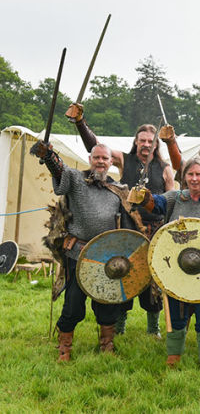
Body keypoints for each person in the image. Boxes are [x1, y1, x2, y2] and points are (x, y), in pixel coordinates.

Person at [65, 104, 173, 338]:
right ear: (136, 142)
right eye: (142, 140)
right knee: (121, 274)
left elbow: (170, 202)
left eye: (150, 141)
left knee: (152, 283)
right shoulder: (125, 160)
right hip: (126, 231)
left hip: (154, 231)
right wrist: (81, 124)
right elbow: (96, 148)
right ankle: (120, 323)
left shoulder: (165, 170)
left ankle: (153, 327)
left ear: (156, 144)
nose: (146, 144)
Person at [30, 141, 142, 361]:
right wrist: (50, 157)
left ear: (111, 162)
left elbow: (127, 223)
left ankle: (106, 344)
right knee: (73, 301)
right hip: (78, 252)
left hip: (107, 256)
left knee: (106, 301)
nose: (100, 162)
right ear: (90, 159)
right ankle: (65, 347)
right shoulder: (76, 180)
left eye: (105, 158)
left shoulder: (117, 190)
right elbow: (60, 172)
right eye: (96, 158)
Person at [131, 156, 200, 371]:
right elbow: (156, 204)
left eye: (198, 174)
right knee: (176, 311)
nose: (194, 178)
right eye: (190, 174)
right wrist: (144, 196)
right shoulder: (177, 198)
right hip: (177, 266)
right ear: (184, 177)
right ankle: (174, 355)